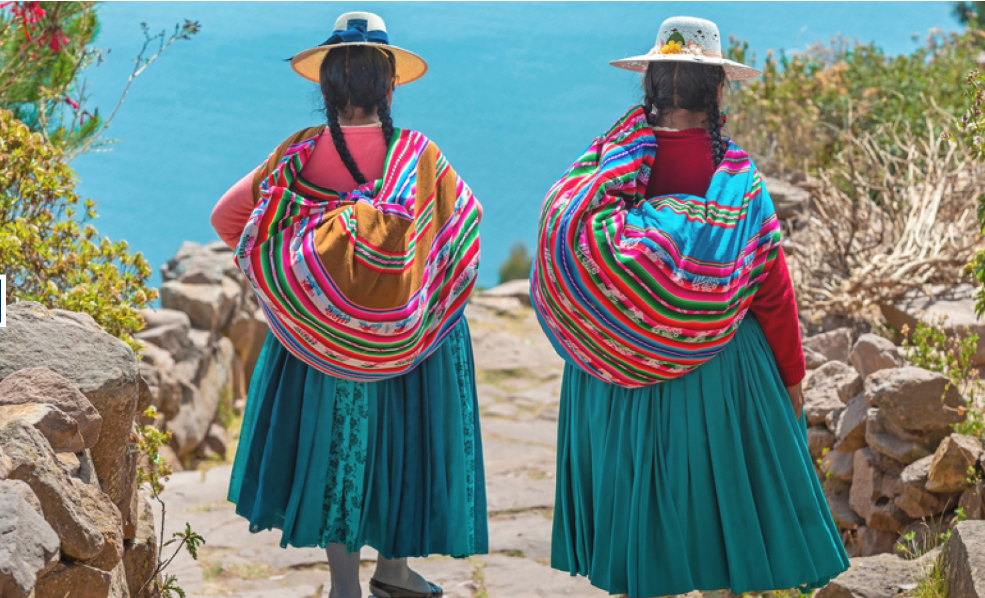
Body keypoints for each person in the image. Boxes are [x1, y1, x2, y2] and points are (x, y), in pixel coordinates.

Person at [530, 16, 849, 598]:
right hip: (720, 367)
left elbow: (568, 240)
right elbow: (772, 289)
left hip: (618, 374)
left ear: (650, 86)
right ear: (718, 91)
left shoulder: (607, 164)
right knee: (717, 511)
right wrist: (793, 377)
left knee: (638, 510)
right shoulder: (736, 180)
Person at [211, 12, 486, 598]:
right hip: (410, 342)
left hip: (320, 343)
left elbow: (228, 219)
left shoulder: (298, 157)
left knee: (337, 450)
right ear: (389, 87)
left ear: (325, 87)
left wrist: (294, 270)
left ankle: (344, 585)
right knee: (404, 443)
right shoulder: (418, 156)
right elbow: (468, 224)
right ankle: (395, 572)